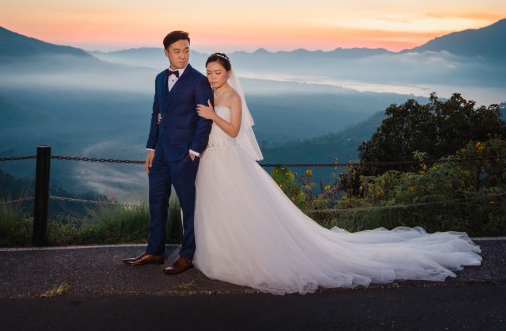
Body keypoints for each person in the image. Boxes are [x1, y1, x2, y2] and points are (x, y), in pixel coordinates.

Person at [192, 52, 482, 295]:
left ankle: (247, 257)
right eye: (208, 72)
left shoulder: (232, 98)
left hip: (229, 159)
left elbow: (232, 131)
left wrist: (213, 115)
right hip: (209, 161)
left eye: (217, 72)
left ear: (228, 73)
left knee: (242, 209)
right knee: (218, 210)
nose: (212, 77)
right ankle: (222, 256)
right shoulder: (207, 93)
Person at [123, 30, 213, 275]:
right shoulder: (160, 79)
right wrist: (151, 147)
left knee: (188, 206)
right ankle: (155, 251)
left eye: (186, 50)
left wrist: (194, 151)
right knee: (157, 201)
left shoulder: (199, 81)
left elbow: (204, 120)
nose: (182, 55)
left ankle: (187, 255)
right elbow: (156, 113)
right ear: (166, 53)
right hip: (160, 153)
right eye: (177, 51)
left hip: (185, 155)